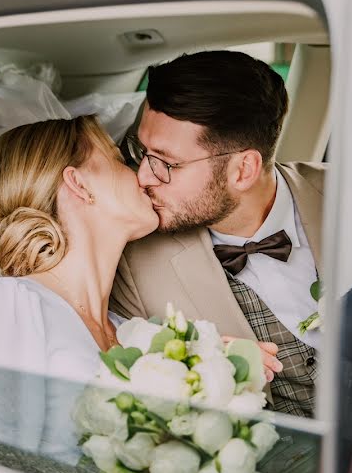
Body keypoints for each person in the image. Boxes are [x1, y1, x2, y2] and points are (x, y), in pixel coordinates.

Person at [0, 116, 283, 463]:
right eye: (118, 159)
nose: (144, 177)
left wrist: (204, 365)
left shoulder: (129, 330)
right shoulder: (5, 305)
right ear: (79, 184)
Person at [111, 50, 326, 418]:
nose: (144, 177)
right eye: (141, 152)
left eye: (165, 162)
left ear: (243, 170)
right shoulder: (135, 264)